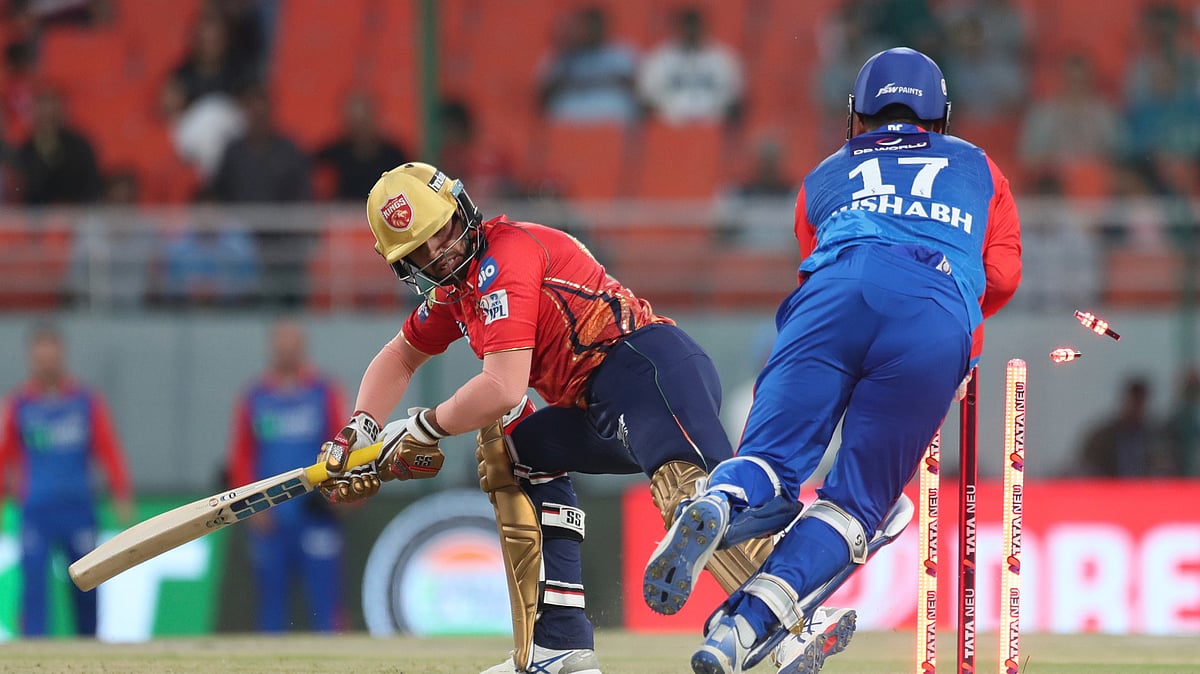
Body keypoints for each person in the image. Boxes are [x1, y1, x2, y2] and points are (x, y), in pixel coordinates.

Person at [310, 161, 796, 674]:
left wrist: (422, 428)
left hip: (646, 370)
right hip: (597, 405)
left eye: (442, 232)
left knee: (692, 497)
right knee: (514, 454)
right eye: (420, 251)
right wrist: (361, 427)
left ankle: (794, 613)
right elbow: (400, 356)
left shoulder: (504, 258)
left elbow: (502, 386)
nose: (440, 252)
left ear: (461, 209)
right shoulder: (457, 292)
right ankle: (559, 644)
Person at [642, 47, 1022, 674]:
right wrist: (959, 349)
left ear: (858, 114)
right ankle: (742, 628)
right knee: (860, 505)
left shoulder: (824, 174)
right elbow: (1001, 275)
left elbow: (813, 263)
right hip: (932, 313)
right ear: (940, 115)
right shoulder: (979, 166)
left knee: (769, 462)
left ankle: (721, 503)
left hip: (832, 293)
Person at [0, 323, 133, 636]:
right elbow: (5, 455)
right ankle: (34, 648)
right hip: (36, 509)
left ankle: (89, 645)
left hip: (78, 507)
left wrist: (120, 491)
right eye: (41, 358)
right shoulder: (19, 404)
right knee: (34, 584)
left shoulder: (86, 400)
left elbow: (107, 448)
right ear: (31, 359)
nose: (47, 364)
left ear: (62, 356)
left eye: (51, 357)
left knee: (87, 582)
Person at [226, 319, 348, 632]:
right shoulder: (255, 396)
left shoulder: (323, 391)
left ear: (303, 348)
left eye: (293, 347)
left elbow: (343, 443)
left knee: (326, 603)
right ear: (272, 349)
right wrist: (250, 504)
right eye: (282, 347)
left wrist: (339, 496)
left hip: (315, 513)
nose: (287, 353)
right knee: (271, 606)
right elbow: (242, 455)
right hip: (271, 514)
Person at [636, 7, 744, 125]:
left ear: (703, 28)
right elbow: (647, 96)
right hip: (669, 125)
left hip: (713, 124)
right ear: (678, 29)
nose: (691, 32)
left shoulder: (723, 58)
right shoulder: (659, 58)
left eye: (695, 27)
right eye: (687, 27)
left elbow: (734, 96)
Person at [538, 6, 639, 124]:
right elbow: (543, 95)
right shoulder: (559, 56)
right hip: (572, 109)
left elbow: (636, 89)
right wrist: (566, 53)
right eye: (586, 27)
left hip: (611, 106)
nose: (591, 31)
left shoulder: (621, 53)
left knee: (626, 106)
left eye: (595, 26)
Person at [316, 92, 408, 201]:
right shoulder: (330, 156)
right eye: (354, 122)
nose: (359, 128)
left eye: (363, 121)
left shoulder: (394, 156)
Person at [1077, 376, 1171, 478]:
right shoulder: (1102, 438)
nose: (1136, 408)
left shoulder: (1156, 438)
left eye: (1140, 403)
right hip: (1110, 487)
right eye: (1133, 402)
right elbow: (1087, 468)